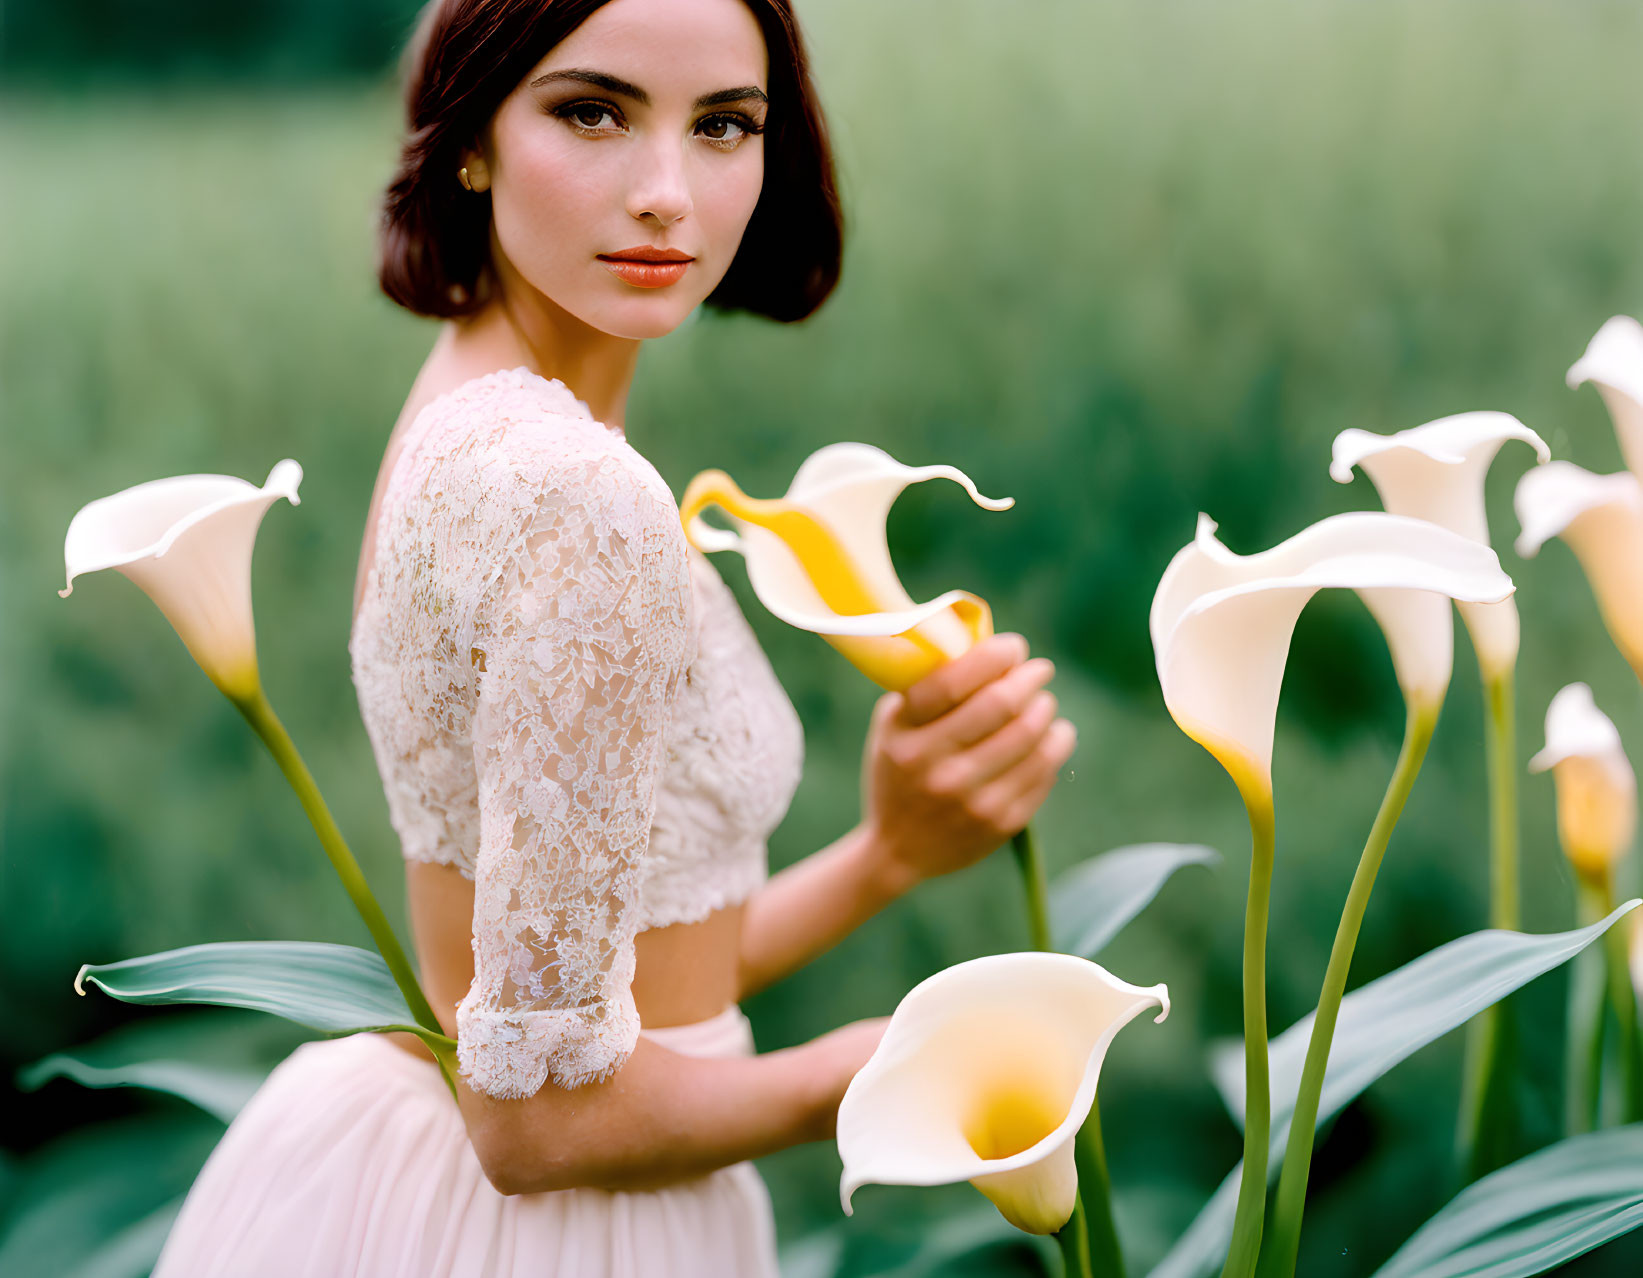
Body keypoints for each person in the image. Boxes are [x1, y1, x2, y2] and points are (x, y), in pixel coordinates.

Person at [150, 0, 1076, 1273]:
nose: (664, 193)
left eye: (722, 126)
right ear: (468, 136)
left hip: (401, 1188)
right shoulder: (568, 495)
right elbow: (533, 1121)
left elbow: (601, 990)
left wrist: (887, 856)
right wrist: (877, 1072)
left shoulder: (471, 405)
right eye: (591, 111)